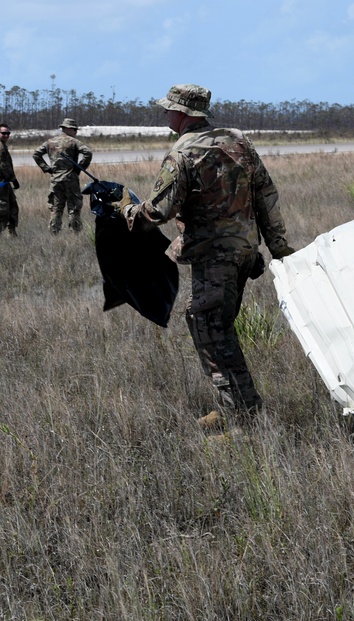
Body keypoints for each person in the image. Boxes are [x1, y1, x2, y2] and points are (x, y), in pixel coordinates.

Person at [118, 84, 294, 423]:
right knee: (219, 326)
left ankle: (243, 416)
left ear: (182, 114)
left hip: (216, 257)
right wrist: (279, 247)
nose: (165, 113)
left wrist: (125, 209)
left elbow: (157, 213)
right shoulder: (238, 140)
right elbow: (266, 194)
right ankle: (239, 406)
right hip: (244, 252)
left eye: (168, 109)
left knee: (207, 325)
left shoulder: (183, 153)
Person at [32, 117, 93, 234]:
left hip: (56, 180)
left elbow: (36, 154)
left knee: (56, 208)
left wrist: (47, 169)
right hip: (71, 179)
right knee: (74, 208)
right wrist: (79, 168)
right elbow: (88, 152)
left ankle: (54, 233)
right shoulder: (73, 142)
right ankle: (75, 233)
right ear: (68, 129)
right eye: (74, 130)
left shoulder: (49, 142)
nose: (76, 132)